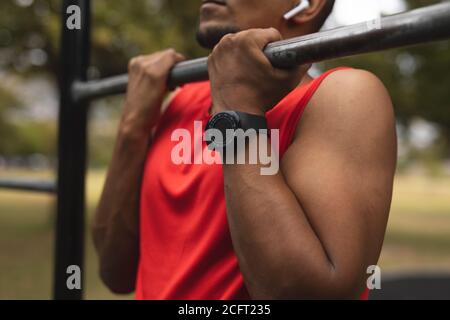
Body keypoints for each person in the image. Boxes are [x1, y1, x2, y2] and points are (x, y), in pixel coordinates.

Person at [92, 0, 397, 299]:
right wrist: (132, 127)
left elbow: (308, 294)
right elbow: (114, 272)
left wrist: (237, 108)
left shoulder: (342, 97)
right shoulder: (181, 100)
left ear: (308, 5)